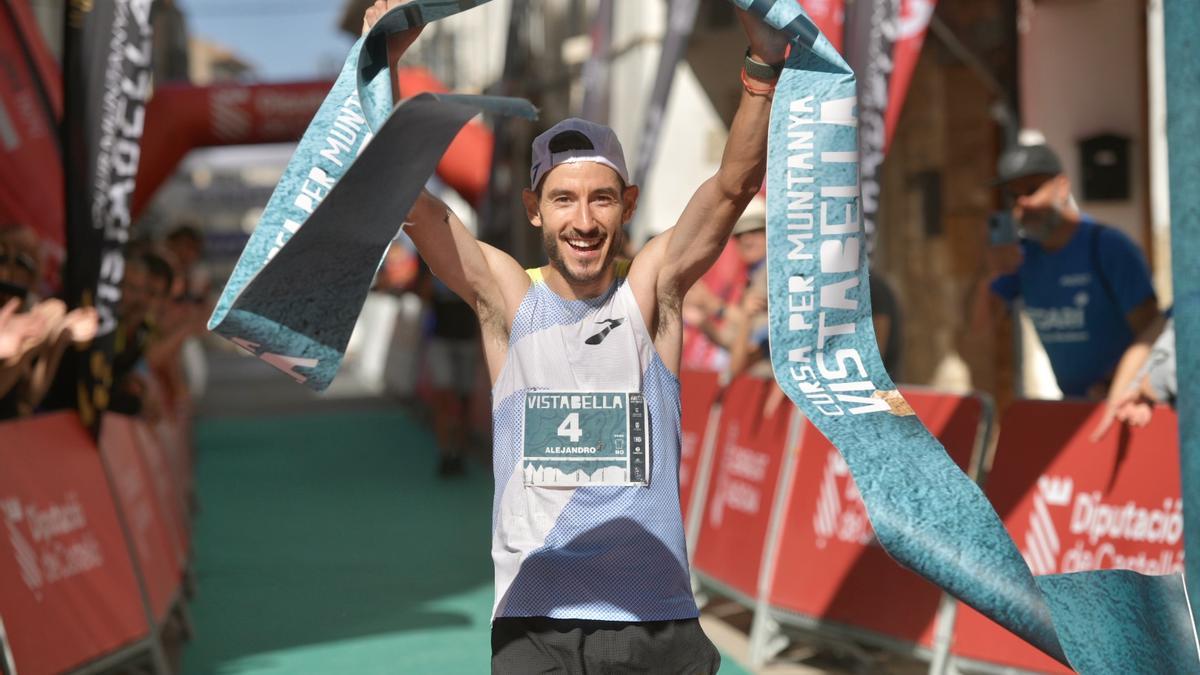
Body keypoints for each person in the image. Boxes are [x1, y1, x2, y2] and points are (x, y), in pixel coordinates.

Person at [362, 3, 787, 671]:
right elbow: (411, 204)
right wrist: (381, 65)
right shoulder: (509, 295)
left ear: (628, 205)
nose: (583, 220)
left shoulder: (652, 291)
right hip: (537, 620)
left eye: (601, 198)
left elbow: (733, 188)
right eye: (563, 198)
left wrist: (762, 69)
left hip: (653, 618)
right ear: (534, 208)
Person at [974, 141, 1160, 399]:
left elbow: (1153, 330)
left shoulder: (1109, 246)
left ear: (1062, 187)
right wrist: (988, 272)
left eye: (1031, 190)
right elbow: (978, 332)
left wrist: (1114, 385)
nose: (1022, 204)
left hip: (1123, 403)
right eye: (1013, 196)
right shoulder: (1023, 257)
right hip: (1072, 406)